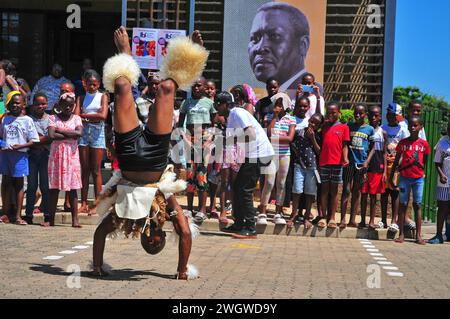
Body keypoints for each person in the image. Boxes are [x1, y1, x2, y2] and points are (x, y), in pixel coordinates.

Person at [91, 26, 208, 279]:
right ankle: (189, 50)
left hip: (130, 154)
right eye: (157, 243)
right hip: (156, 156)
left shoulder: (125, 213)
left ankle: (125, 52)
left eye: (149, 244)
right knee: (166, 88)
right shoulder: (166, 204)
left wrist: (97, 265)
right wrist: (182, 269)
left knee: (122, 86)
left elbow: (100, 232)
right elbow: (186, 233)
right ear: (163, 236)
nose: (152, 241)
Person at [216, 90, 274, 238]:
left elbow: (251, 134)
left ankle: (250, 228)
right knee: (237, 187)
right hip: (251, 154)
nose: (216, 107)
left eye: (218, 103)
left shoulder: (237, 113)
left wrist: (232, 139)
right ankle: (239, 224)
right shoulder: (231, 117)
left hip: (259, 153)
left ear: (226, 104)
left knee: (245, 190)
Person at [248, 2, 323, 99]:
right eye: (255, 38)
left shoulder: (312, 91)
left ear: (302, 45)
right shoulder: (264, 102)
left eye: (274, 36)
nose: (260, 48)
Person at [178, 77, 217, 222]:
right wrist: (185, 138)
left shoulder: (209, 103)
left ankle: (202, 210)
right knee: (190, 175)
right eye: (193, 86)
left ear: (205, 87)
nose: (195, 88)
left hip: (204, 139)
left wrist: (210, 139)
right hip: (190, 139)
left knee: (202, 174)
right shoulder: (185, 103)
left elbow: (214, 124)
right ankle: (188, 209)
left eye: (199, 86)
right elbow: (179, 124)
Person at [0, 91, 39, 225]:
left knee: (18, 185)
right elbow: (1, 136)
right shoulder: (5, 119)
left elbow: (34, 140)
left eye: (17, 103)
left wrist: (20, 146)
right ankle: (5, 213)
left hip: (20, 155)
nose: (15, 105)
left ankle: (18, 216)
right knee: (6, 182)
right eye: (12, 103)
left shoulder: (27, 120)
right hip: (6, 155)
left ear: (23, 104)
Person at [390, 116, 430, 245]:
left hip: (418, 179)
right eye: (411, 125)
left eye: (415, 125)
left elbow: (425, 160)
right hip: (404, 178)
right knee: (403, 204)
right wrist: (391, 176)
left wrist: (420, 172)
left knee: (417, 205)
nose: (412, 127)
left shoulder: (424, 144)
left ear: (420, 127)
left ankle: (418, 235)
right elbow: (396, 161)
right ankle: (401, 234)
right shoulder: (403, 143)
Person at [257, 93, 295, 225]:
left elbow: (290, 138)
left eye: (280, 104)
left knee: (281, 184)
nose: (277, 107)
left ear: (285, 106)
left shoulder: (291, 119)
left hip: (284, 154)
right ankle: (263, 212)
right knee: (269, 183)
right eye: (276, 104)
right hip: (271, 154)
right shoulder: (269, 117)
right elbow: (268, 133)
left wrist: (273, 138)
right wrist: (274, 117)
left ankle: (278, 212)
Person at [74, 69, 108, 215]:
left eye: (94, 84)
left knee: (96, 170)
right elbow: (76, 116)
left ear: (99, 84)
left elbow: (103, 115)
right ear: (85, 84)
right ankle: (83, 203)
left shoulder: (103, 96)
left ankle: (96, 203)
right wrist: (93, 116)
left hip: (97, 133)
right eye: (89, 84)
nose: (92, 87)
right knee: (84, 169)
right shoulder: (81, 98)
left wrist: (85, 115)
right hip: (84, 133)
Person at [47, 93, 83, 227]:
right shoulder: (52, 118)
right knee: (54, 189)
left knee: (73, 189)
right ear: (59, 105)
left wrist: (60, 130)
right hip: (56, 156)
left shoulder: (77, 118)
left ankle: (75, 220)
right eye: (65, 105)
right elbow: (51, 135)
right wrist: (70, 134)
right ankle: (51, 219)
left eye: (70, 105)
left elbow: (79, 134)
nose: (68, 107)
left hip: (72, 156)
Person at [288, 96, 323, 229]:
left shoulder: (318, 136)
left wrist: (313, 139)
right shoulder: (300, 131)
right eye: (311, 122)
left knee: (309, 193)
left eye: (315, 123)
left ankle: (307, 216)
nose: (312, 124)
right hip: (299, 166)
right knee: (297, 191)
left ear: (319, 126)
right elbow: (293, 145)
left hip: (312, 168)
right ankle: (293, 215)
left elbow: (319, 152)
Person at [340, 105, 375, 229]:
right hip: (349, 163)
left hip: (361, 165)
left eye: (361, 113)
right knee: (346, 190)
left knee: (357, 191)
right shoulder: (348, 126)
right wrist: (345, 158)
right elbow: (345, 144)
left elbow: (373, 147)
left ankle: (352, 219)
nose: (358, 115)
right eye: (356, 113)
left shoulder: (370, 129)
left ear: (365, 114)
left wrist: (367, 162)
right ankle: (343, 219)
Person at [319, 103, 350, 228]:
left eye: (334, 113)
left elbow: (344, 146)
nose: (331, 115)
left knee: (334, 191)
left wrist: (345, 158)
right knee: (324, 190)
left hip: (337, 163)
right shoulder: (324, 126)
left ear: (339, 113)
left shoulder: (344, 128)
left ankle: (332, 218)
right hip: (324, 162)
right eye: (329, 113)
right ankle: (323, 217)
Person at [381, 103, 410, 233]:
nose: (391, 117)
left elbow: (406, 149)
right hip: (384, 164)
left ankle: (394, 220)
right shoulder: (383, 128)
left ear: (397, 116)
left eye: (393, 115)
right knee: (383, 193)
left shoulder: (403, 130)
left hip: (397, 166)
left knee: (395, 193)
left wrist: (399, 162)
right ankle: (383, 219)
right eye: (389, 114)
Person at [24, 92, 52, 226]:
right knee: (31, 186)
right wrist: (40, 139)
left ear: (47, 104)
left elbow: (51, 137)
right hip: (32, 156)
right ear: (32, 105)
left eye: (43, 104)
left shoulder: (51, 119)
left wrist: (37, 139)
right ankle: (28, 215)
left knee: (45, 186)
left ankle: (47, 215)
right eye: (37, 104)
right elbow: (28, 138)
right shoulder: (28, 119)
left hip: (46, 156)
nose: (40, 106)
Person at [360, 106, 387, 230]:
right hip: (364, 165)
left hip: (377, 166)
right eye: (371, 115)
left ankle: (371, 221)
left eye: (376, 115)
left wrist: (385, 171)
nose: (373, 117)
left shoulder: (383, 133)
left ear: (380, 116)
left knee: (373, 195)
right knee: (364, 194)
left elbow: (384, 153)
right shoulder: (364, 129)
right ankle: (362, 220)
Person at [428, 119, 450, 244]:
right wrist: (441, 175)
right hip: (444, 181)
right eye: (449, 127)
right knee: (442, 208)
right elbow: (437, 162)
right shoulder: (442, 143)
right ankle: (438, 235)